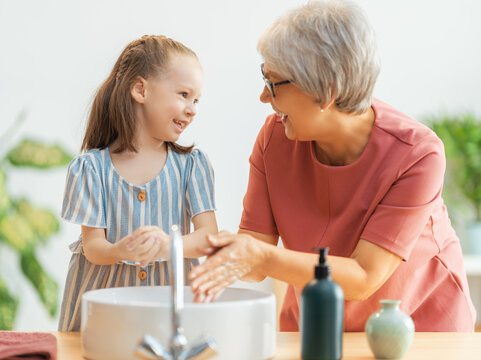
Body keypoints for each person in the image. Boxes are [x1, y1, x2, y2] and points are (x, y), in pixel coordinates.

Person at [188, 0, 476, 331]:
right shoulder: (274, 140)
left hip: (415, 330)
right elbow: (254, 259)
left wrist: (258, 256)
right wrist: (192, 247)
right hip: (317, 323)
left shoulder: (417, 155)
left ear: (325, 91)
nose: (263, 97)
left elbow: (364, 276)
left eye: (273, 83)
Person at [58, 35, 217, 331]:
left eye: (196, 100)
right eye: (183, 94)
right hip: (102, 316)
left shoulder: (192, 167)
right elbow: (94, 247)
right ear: (140, 90)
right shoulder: (91, 169)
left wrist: (167, 246)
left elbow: (208, 238)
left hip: (168, 315)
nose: (192, 108)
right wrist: (123, 250)